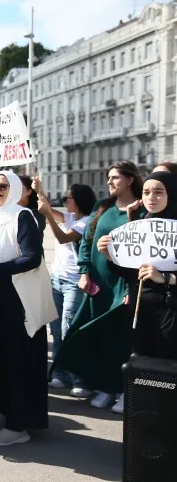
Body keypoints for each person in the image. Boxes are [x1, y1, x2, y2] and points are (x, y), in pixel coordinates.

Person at [54, 161, 143, 411]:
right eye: (108, 177)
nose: (109, 182)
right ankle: (105, 387)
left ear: (130, 180)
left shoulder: (141, 210)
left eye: (115, 177)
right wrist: (84, 271)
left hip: (123, 285)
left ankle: (124, 391)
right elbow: (86, 240)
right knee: (98, 337)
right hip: (98, 285)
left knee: (121, 340)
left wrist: (133, 288)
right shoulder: (102, 207)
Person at [0, 170, 52, 446]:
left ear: (16, 189)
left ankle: (18, 425)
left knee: (17, 362)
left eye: (3, 186)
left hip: (17, 300)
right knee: (2, 361)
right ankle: (7, 412)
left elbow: (32, 258)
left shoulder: (23, 215)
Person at [96, 171, 177, 412]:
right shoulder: (141, 226)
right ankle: (144, 414)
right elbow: (131, 272)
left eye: (159, 192)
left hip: (170, 309)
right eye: (147, 192)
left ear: (171, 194)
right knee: (142, 359)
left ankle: (166, 415)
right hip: (141, 306)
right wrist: (110, 255)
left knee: (167, 363)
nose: (152, 197)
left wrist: (165, 278)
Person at [37, 184, 96, 397]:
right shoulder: (70, 217)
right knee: (56, 330)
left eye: (67, 198)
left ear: (78, 201)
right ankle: (60, 374)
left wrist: (48, 216)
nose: (64, 202)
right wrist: (39, 190)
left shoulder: (85, 222)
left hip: (73, 282)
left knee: (69, 330)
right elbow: (48, 207)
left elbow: (63, 237)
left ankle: (79, 379)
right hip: (57, 280)